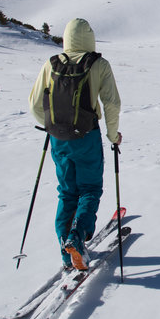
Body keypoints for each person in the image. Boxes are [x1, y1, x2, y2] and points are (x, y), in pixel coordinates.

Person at [29, 18, 122, 270]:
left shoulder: (51, 64)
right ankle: (77, 235)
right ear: (90, 38)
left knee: (67, 192)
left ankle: (65, 250)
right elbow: (111, 103)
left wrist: (52, 126)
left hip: (59, 140)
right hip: (87, 137)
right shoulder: (99, 64)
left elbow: (35, 104)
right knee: (90, 189)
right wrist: (113, 136)